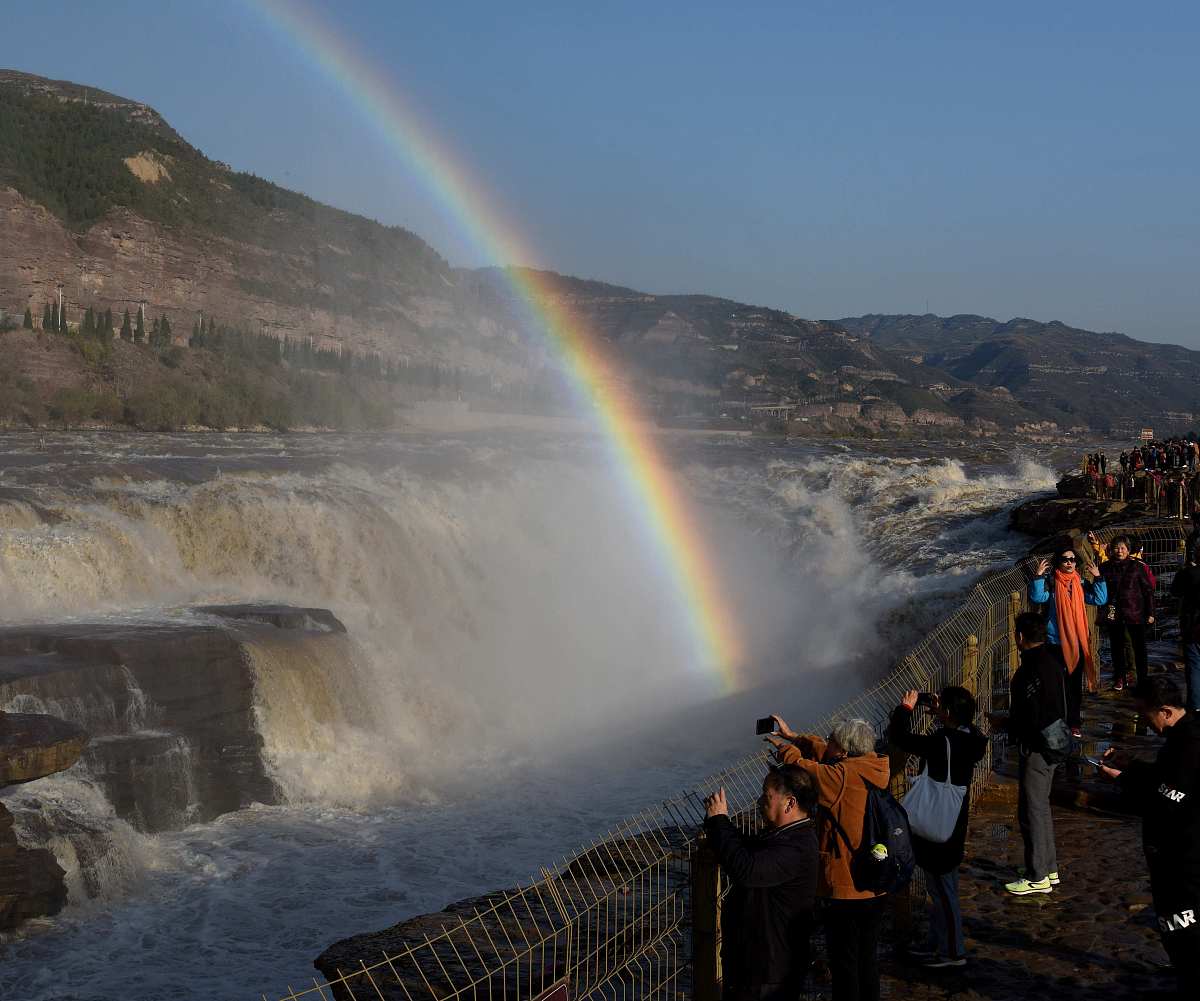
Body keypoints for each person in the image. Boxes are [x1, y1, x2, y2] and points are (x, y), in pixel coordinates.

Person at [765, 716, 889, 1001]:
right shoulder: (872, 764)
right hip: (875, 882)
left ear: (844, 751)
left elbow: (808, 771)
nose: (827, 742)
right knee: (867, 959)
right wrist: (795, 735)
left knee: (844, 963)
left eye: (833, 739)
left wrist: (786, 750)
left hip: (847, 886)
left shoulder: (840, 779)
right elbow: (825, 754)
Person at [1100, 677, 1200, 999]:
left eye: (1146, 714)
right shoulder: (1184, 735)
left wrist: (1125, 780)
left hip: (1182, 857)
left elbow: (1167, 800)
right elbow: (1165, 780)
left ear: (1166, 711)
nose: (1144, 721)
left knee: (1180, 930)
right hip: (1180, 853)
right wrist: (1133, 767)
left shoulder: (1187, 746)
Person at [888, 687, 988, 968]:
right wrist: (944, 715)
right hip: (953, 822)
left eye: (941, 705)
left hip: (938, 827)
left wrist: (905, 710)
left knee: (944, 894)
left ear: (948, 712)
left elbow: (900, 738)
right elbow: (961, 729)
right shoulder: (972, 738)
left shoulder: (943, 740)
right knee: (942, 888)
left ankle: (953, 952)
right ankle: (938, 943)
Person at [703, 766, 820, 1001]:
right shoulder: (784, 835)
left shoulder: (796, 846)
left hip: (770, 971)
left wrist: (720, 822)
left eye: (766, 795)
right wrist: (718, 826)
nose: (758, 801)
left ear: (789, 803)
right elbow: (746, 851)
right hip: (761, 963)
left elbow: (748, 869)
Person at [988, 612, 1067, 895]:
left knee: (1031, 810)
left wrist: (1005, 724)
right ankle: (1048, 868)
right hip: (1056, 741)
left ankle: (1037, 876)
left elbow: (1030, 716)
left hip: (1037, 747)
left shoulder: (1027, 672)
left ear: (1019, 637)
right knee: (1041, 807)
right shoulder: (1053, 662)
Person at [1029, 546, 1106, 736]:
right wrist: (1038, 576)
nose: (1069, 563)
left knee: (1073, 685)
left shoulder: (1079, 582)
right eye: (1065, 559)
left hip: (1077, 642)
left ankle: (1073, 723)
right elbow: (1038, 597)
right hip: (1054, 642)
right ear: (1059, 562)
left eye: (1072, 559)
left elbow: (1099, 599)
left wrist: (1098, 578)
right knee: (1054, 684)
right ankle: (1056, 721)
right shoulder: (1051, 582)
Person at [1101, 535, 1156, 690]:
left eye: (1123, 548)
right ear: (1112, 549)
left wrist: (1150, 613)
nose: (1120, 551)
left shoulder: (1137, 567)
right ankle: (1119, 678)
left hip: (1135, 612)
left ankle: (1142, 679)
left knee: (1139, 648)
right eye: (1117, 548)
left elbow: (1147, 591)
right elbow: (1099, 588)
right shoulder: (1105, 567)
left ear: (1128, 549)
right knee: (1116, 648)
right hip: (1114, 613)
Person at [1170, 542, 1200, 711]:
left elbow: (1175, 591)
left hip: (1192, 625)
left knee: (1194, 666)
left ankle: (1196, 705)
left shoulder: (1188, 573)